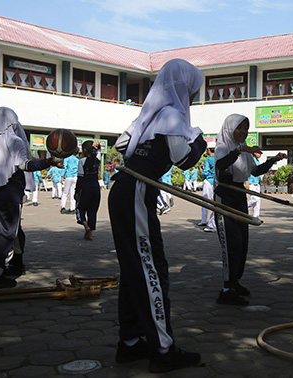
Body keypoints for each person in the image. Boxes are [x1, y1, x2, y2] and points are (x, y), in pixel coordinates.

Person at [108, 59, 205, 373]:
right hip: (137, 190)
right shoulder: (172, 115)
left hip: (125, 188)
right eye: (193, 90)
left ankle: (131, 342)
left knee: (134, 267)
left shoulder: (147, 116)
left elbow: (122, 145)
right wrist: (200, 139)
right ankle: (163, 349)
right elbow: (184, 160)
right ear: (183, 87)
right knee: (151, 266)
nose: (193, 97)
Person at [0, 107, 57, 289]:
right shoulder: (15, 141)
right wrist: (47, 162)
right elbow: (25, 165)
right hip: (10, 195)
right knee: (7, 233)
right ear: (13, 122)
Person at [214, 114, 286, 305]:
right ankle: (226, 289)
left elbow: (254, 172)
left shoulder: (244, 150)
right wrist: (239, 150)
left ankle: (235, 282)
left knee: (242, 241)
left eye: (246, 128)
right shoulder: (224, 146)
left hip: (238, 195)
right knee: (231, 242)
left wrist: (273, 160)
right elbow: (221, 166)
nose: (244, 132)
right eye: (240, 128)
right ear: (230, 128)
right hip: (224, 196)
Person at [75, 140, 101, 241]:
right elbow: (98, 152)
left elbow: (80, 178)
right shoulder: (97, 160)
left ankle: (86, 226)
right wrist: (97, 146)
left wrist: (76, 192)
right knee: (93, 210)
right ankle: (90, 233)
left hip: (85, 187)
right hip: (95, 187)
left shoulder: (81, 161)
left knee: (80, 208)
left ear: (84, 150)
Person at [199, 141, 217, 232]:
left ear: (208, 150)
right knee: (215, 202)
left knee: (205, 201)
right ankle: (212, 222)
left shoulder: (208, 160)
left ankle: (205, 221)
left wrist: (201, 172)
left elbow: (205, 172)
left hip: (208, 182)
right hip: (216, 182)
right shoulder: (218, 159)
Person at [246, 151, 263, 222]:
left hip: (256, 182)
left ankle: (255, 216)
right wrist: (246, 181)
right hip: (251, 182)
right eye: (259, 153)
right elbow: (246, 170)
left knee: (258, 200)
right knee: (254, 199)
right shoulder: (250, 160)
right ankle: (244, 207)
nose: (260, 155)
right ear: (254, 153)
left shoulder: (257, 161)